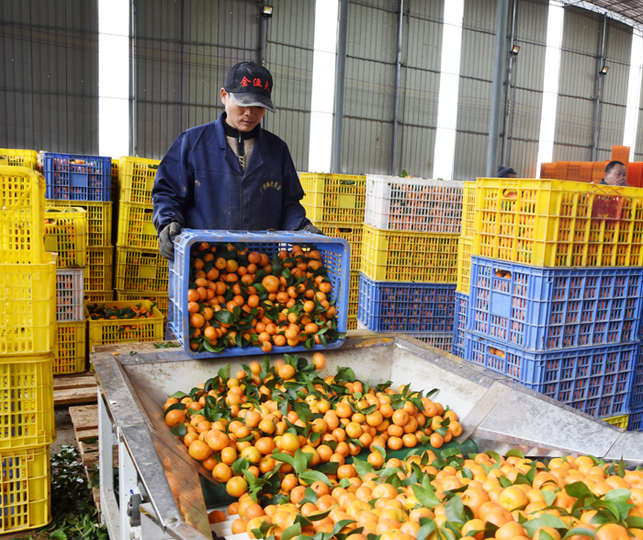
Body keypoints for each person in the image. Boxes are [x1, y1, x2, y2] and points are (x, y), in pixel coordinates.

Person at [152, 61, 319, 260]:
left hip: (259, 267)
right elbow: (167, 192)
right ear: (224, 96)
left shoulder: (277, 150)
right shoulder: (193, 143)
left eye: (258, 106)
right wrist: (168, 222)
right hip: (202, 263)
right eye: (243, 103)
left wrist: (303, 227)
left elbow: (289, 204)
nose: (250, 113)